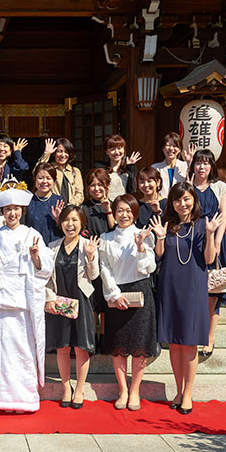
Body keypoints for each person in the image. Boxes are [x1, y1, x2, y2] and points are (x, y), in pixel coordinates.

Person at [0, 183, 53, 412]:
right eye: (7, 209)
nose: (12, 213)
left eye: (16, 208)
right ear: (1, 212)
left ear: (23, 210)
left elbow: (45, 269)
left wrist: (36, 258)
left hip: (22, 299)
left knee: (22, 351)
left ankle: (23, 399)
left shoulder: (32, 234)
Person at [150, 182, 223, 415]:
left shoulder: (203, 224)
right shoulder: (168, 225)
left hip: (193, 286)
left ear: (194, 200)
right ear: (172, 203)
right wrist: (160, 237)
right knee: (173, 341)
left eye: (187, 199)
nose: (183, 204)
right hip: (170, 285)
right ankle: (179, 390)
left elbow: (210, 259)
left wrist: (211, 234)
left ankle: (188, 393)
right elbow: (160, 256)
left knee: (189, 342)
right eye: (178, 200)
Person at [98, 195, 158, 411]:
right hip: (117, 294)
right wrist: (114, 294)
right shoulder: (105, 238)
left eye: (128, 210)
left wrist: (141, 247)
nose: (123, 214)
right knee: (119, 346)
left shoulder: (143, 234)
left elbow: (149, 268)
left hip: (140, 291)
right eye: (119, 210)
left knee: (140, 346)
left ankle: (135, 390)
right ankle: (123, 390)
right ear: (113, 212)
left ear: (134, 212)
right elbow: (104, 268)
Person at [45, 205, 100, 409]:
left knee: (81, 347)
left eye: (75, 220)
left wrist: (91, 257)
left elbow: (94, 276)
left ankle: (79, 388)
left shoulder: (89, 244)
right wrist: (48, 298)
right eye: (66, 220)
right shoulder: (52, 246)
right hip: (60, 300)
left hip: (81, 300)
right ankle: (66, 387)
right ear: (60, 223)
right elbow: (46, 278)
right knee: (62, 347)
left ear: (81, 223)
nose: (70, 224)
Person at [190, 149, 226, 357]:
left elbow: (223, 216)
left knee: (213, 292)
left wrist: (215, 242)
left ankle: (209, 338)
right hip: (192, 243)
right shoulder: (187, 187)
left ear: (212, 167)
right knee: (193, 291)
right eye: (198, 162)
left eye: (206, 163)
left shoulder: (220, 187)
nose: (202, 166)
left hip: (214, 240)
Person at [81, 167, 114, 353]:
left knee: (105, 300)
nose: (96, 188)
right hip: (90, 256)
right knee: (92, 300)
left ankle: (105, 338)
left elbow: (115, 229)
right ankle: (92, 338)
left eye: (100, 185)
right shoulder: (84, 208)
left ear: (106, 186)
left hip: (108, 257)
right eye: (92, 185)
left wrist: (109, 211)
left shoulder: (113, 205)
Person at [35, 138, 84, 205]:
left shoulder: (75, 171)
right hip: (52, 207)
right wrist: (46, 154)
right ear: (54, 153)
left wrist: (70, 206)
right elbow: (36, 171)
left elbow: (79, 193)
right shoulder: (50, 169)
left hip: (70, 209)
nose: (63, 155)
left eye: (66, 152)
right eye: (59, 151)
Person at [24, 162, 63, 245]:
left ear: (54, 181)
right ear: (35, 179)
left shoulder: (59, 201)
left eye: (48, 178)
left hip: (55, 247)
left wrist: (59, 221)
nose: (44, 181)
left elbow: (67, 229)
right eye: (40, 178)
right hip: (33, 247)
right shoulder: (27, 201)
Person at [94, 135, 141, 201]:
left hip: (124, 206)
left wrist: (130, 166)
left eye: (119, 148)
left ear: (124, 149)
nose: (116, 152)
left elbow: (133, 189)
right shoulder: (101, 168)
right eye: (112, 149)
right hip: (105, 205)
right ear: (107, 152)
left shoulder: (128, 168)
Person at [151, 132, 196, 198]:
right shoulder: (155, 168)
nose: (171, 148)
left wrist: (190, 164)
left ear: (180, 149)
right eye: (168, 145)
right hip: (161, 205)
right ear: (163, 148)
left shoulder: (185, 166)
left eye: (175, 146)